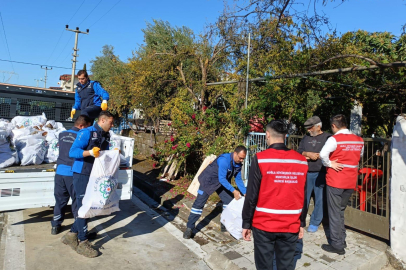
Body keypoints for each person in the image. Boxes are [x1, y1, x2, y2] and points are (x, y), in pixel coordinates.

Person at [242, 120, 308, 270]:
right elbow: (303, 195)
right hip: (290, 224)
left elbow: (252, 195)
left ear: (267, 135)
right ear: (285, 136)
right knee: (286, 266)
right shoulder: (302, 161)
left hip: (264, 224)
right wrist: (301, 222)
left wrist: (246, 222)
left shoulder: (260, 158)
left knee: (264, 266)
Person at [61, 111, 114, 258]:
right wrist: (90, 152)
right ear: (102, 121)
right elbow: (73, 152)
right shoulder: (87, 133)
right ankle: (82, 242)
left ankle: (72, 234)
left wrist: (113, 154)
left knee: (93, 205)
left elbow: (104, 153)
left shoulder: (106, 135)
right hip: (82, 173)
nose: (112, 125)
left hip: (96, 175)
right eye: (111, 122)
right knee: (84, 206)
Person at [319, 114, 364, 255]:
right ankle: (341, 238)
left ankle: (337, 245)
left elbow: (322, 155)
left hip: (336, 180)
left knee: (334, 212)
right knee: (340, 211)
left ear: (333, 126)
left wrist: (330, 163)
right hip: (350, 181)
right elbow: (359, 155)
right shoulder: (359, 140)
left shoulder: (334, 139)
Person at [183, 146, 247, 239]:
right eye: (240, 157)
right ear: (235, 153)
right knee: (199, 204)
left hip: (221, 184)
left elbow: (238, 179)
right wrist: (234, 191)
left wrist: (245, 192)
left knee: (229, 202)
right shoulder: (224, 160)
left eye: (243, 158)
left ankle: (225, 225)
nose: (241, 160)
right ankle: (189, 228)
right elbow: (222, 179)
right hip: (208, 181)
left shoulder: (238, 164)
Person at [51, 115, 92, 235]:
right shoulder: (80, 136)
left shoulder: (62, 134)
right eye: (87, 127)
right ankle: (78, 227)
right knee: (77, 201)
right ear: (81, 126)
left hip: (59, 172)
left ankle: (55, 226)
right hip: (72, 173)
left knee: (60, 201)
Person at [297, 116, 331, 233]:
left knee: (320, 199)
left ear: (318, 126)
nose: (308, 130)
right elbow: (299, 151)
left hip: (321, 172)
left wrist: (318, 156)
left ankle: (315, 222)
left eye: (310, 128)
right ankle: (301, 221)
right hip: (306, 172)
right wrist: (307, 153)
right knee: (303, 198)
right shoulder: (306, 138)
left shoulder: (328, 137)